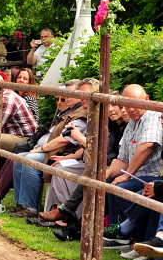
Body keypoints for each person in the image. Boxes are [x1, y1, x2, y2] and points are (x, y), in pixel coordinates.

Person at [39, 100, 128, 238]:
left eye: (117, 106)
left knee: (93, 177)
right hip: (103, 165)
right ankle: (63, 214)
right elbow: (95, 151)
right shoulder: (112, 125)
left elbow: (102, 153)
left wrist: (79, 138)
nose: (111, 110)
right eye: (107, 106)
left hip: (116, 169)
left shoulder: (125, 126)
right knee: (60, 167)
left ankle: (68, 216)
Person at [11, 79, 88, 217]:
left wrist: (40, 149)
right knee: (19, 158)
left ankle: (31, 208)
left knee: (30, 160)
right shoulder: (70, 111)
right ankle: (22, 203)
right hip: (56, 153)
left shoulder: (81, 114)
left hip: (63, 155)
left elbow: (63, 140)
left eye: (68, 95)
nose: (65, 99)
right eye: (63, 95)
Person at [103, 84, 163, 248]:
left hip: (152, 176)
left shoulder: (153, 116)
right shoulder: (132, 123)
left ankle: (128, 233)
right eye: (128, 105)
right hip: (139, 176)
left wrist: (127, 174)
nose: (132, 109)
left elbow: (147, 146)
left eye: (136, 103)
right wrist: (106, 174)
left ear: (147, 100)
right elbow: (122, 158)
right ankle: (118, 231)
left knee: (124, 188)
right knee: (110, 184)